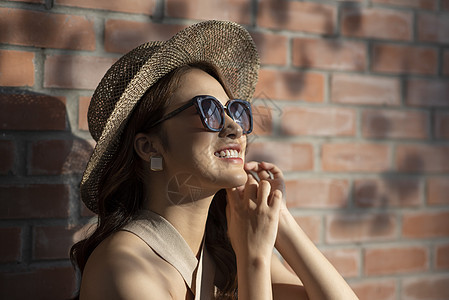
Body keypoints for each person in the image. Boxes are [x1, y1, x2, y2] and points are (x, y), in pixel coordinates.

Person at [70, 20, 359, 300]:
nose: (234, 127)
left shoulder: (224, 248)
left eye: (235, 110)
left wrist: (279, 217)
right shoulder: (123, 266)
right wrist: (254, 261)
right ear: (149, 146)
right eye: (207, 110)